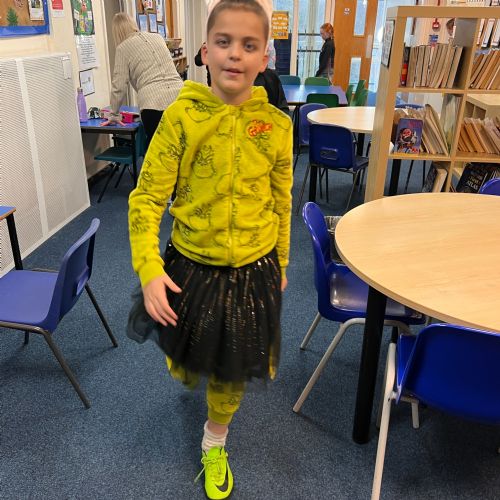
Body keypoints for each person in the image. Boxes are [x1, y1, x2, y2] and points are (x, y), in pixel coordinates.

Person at [127, 1, 292, 499]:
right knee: (187, 359)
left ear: (264, 58)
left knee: (231, 368)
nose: (235, 54)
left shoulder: (278, 127)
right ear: (204, 51)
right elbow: (147, 197)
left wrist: (282, 261)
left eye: (249, 45)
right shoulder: (181, 118)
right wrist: (148, 269)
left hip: (253, 267)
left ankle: (214, 440)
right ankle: (189, 360)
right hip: (192, 264)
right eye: (224, 42)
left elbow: (282, 200)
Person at [101, 13, 183, 147]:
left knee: (159, 152)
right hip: (180, 98)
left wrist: (114, 114)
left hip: (153, 104)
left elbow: (118, 87)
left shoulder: (123, 48)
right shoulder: (157, 37)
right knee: (183, 148)